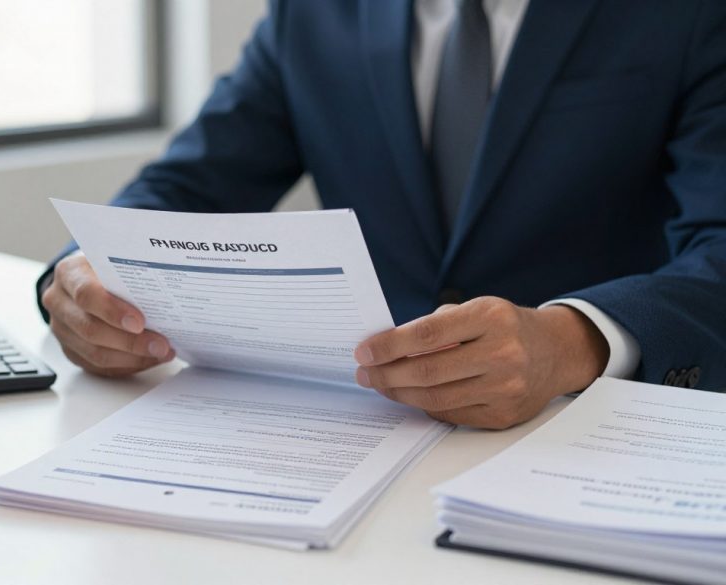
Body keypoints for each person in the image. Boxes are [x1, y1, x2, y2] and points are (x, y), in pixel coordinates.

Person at [37, 0, 726, 429]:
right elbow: (185, 185)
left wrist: (570, 340)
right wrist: (81, 277)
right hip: (364, 428)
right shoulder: (311, 14)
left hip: (589, 430)